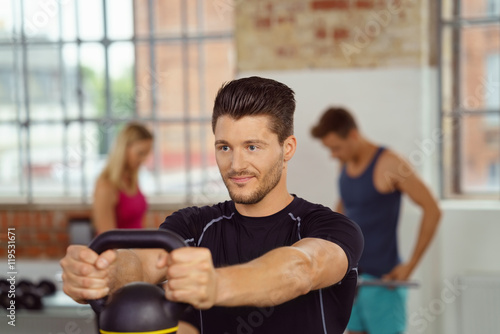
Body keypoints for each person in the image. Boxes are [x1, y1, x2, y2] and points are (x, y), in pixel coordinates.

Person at [60, 77, 364, 334]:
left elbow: (302, 268)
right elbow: (141, 263)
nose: (236, 165)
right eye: (225, 147)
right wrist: (99, 274)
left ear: (287, 149)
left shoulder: (331, 228)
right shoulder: (192, 227)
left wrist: (215, 284)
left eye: (252, 147)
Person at [310, 107, 441, 334]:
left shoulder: (391, 163)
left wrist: (410, 265)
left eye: (336, 148)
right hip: (350, 278)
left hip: (383, 281)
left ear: (352, 135)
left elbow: (432, 209)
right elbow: (344, 208)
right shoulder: (345, 162)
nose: (333, 155)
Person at [92, 122, 153, 234]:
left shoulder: (132, 180)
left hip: (137, 248)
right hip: (120, 250)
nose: (144, 159)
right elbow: (107, 239)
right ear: (124, 149)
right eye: (140, 153)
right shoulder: (106, 185)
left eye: (146, 154)